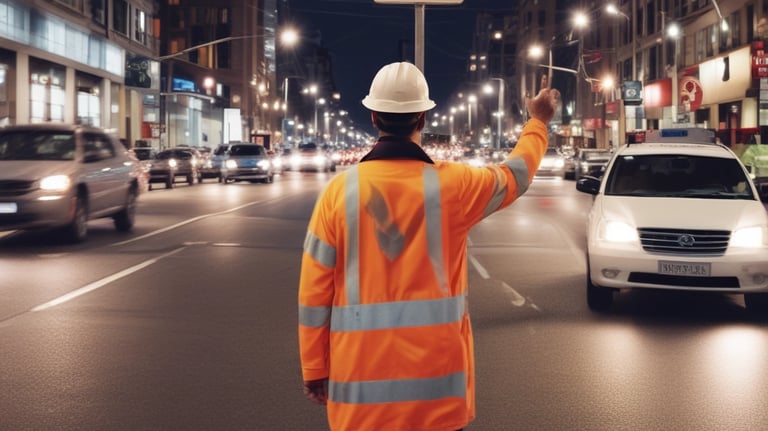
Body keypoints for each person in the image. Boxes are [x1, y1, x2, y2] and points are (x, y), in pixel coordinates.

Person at [298, 61, 559, 431]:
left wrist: (315, 367)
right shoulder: (455, 186)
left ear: (373, 117)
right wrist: (538, 121)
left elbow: (314, 295)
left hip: (358, 395)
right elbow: (516, 175)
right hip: (438, 394)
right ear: (422, 118)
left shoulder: (338, 193)